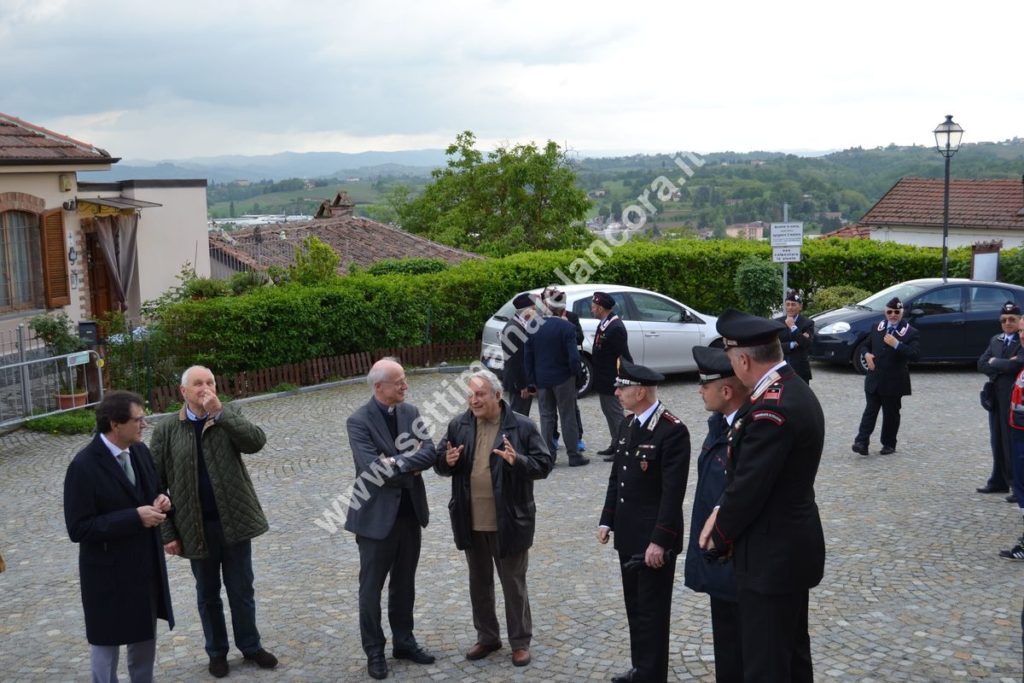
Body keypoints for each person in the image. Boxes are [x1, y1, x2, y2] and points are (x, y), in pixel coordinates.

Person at [699, 309, 825, 682]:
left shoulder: (772, 408)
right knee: (791, 656)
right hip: (787, 551)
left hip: (771, 557)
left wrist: (717, 538)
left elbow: (749, 489)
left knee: (767, 664)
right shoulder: (790, 386)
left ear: (742, 359)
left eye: (729, 355)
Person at [151, 366, 278, 679]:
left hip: (234, 521)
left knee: (241, 589)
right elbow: (154, 485)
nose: (205, 388)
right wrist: (167, 531)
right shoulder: (167, 429)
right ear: (183, 392)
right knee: (207, 594)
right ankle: (216, 652)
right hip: (195, 527)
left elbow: (255, 442)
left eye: (209, 382)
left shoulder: (226, 414)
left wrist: (221, 413)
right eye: (198, 384)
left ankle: (250, 646)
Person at [434, 369, 553, 668]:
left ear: (497, 396)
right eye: (470, 395)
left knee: (513, 583)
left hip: (510, 519)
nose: (473, 400)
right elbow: (440, 460)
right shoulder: (458, 425)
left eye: (480, 394)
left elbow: (544, 464)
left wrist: (519, 460)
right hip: (470, 517)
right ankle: (487, 636)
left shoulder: (521, 426)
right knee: (479, 582)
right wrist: (445, 462)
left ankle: (520, 642)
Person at [64, 390, 175, 683]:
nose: (144, 425)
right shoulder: (83, 466)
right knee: (106, 646)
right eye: (138, 420)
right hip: (107, 575)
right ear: (115, 424)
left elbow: (155, 488)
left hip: (144, 569)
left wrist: (163, 499)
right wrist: (134, 517)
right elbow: (79, 528)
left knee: (143, 641)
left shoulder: (139, 451)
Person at [343, 358, 438, 680]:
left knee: (404, 583)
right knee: (371, 589)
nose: (405, 385)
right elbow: (373, 470)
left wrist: (396, 461)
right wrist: (408, 465)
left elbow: (431, 452)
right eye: (399, 381)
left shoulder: (410, 413)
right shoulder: (358, 421)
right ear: (379, 387)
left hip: (409, 513)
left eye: (404, 379)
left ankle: (404, 642)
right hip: (374, 519)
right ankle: (374, 650)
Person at [598, 359, 690, 683]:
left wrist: (660, 540)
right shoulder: (628, 424)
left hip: (653, 541)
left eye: (622, 387)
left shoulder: (672, 430)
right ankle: (641, 670)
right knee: (635, 608)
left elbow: (672, 493)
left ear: (639, 391)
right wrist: (607, 519)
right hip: (628, 535)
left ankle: (652, 676)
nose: (617, 392)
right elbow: (617, 478)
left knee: (652, 613)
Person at [684, 346, 748, 683]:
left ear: (726, 391)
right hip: (718, 558)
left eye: (704, 385)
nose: (699, 391)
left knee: (742, 645)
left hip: (735, 560)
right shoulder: (719, 424)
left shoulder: (747, 430)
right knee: (725, 640)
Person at [525, 290, 588, 467]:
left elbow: (528, 357)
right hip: (564, 378)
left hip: (543, 379)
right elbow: (574, 357)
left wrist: (531, 381)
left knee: (546, 417)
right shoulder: (567, 328)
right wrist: (576, 375)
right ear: (563, 309)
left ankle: (547, 456)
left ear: (547, 306)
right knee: (568, 416)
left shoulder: (533, 326)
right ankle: (573, 455)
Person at [852, 297, 920, 456]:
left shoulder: (910, 332)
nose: (893, 315)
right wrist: (866, 354)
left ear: (902, 312)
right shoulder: (877, 327)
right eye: (890, 312)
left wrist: (897, 344)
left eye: (897, 312)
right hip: (874, 378)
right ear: (885, 312)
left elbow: (915, 355)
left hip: (893, 380)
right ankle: (861, 442)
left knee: (891, 414)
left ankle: (889, 444)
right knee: (870, 411)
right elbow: (866, 345)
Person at [977, 301, 1023, 497]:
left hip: (1013, 398)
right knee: (996, 439)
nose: (1007, 323)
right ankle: (998, 480)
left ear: (1019, 320)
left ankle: (1016, 484)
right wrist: (1000, 365)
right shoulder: (996, 339)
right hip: (995, 396)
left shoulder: (1021, 341)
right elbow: (981, 363)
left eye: (1012, 319)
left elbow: (1016, 366)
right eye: (1004, 320)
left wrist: (995, 362)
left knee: (1011, 441)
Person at [590, 291, 633, 460]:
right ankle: (615, 443)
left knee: (615, 414)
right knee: (608, 412)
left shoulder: (615, 327)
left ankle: (622, 447)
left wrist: (621, 379)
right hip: (603, 377)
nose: (592, 309)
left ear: (600, 308)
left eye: (594, 307)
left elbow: (620, 357)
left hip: (611, 378)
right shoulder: (605, 324)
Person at [544, 286, 587, 453]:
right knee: (549, 413)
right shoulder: (542, 320)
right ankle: (553, 438)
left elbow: (580, 338)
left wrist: (568, 326)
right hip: (550, 369)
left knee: (571, 409)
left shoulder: (571, 317)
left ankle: (577, 438)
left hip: (566, 369)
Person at [500, 292, 538, 417]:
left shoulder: (522, 325)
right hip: (519, 383)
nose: (535, 311)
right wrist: (522, 385)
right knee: (518, 416)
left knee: (523, 414)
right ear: (526, 310)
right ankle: (514, 437)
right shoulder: (513, 329)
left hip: (523, 380)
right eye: (533, 308)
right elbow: (514, 361)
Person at [775, 289, 814, 384]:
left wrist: (793, 327)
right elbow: (775, 347)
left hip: (800, 370)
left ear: (800, 306)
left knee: (801, 397)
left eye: (793, 304)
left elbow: (807, 344)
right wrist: (794, 344)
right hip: (781, 367)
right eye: (787, 304)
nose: (790, 307)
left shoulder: (807, 323)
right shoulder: (777, 323)